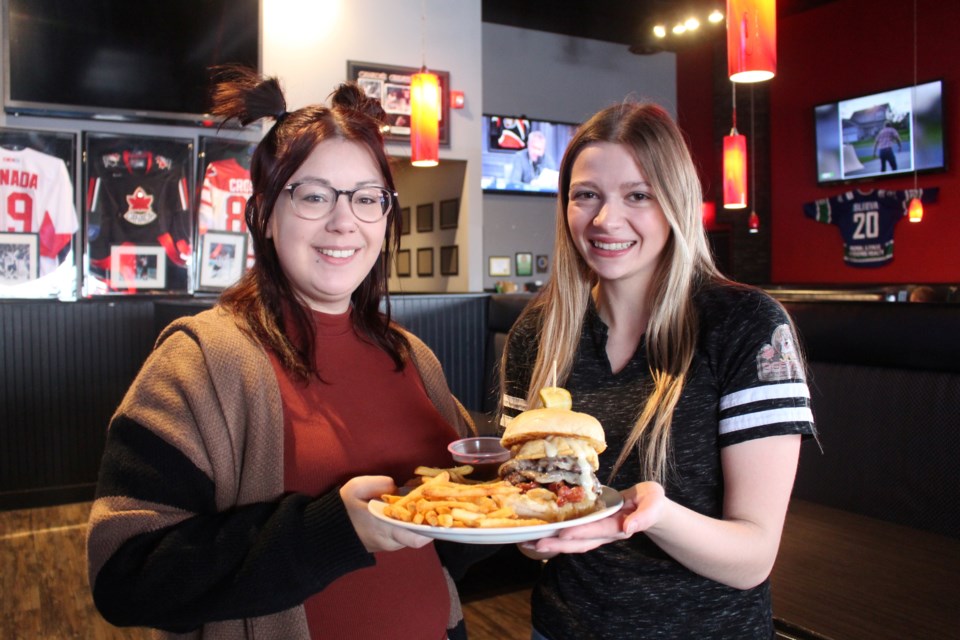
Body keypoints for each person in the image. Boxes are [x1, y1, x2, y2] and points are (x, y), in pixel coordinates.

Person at [86, 65, 478, 640]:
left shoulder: (413, 357)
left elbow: (459, 521)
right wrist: (334, 531)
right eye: (314, 196)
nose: (345, 222)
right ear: (266, 213)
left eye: (368, 199)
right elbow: (127, 576)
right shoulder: (202, 360)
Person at [498, 101, 816, 639]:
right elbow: (523, 497)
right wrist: (529, 532)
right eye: (586, 195)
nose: (605, 219)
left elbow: (753, 558)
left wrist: (650, 513)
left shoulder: (747, 326)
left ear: (675, 203)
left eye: (637, 196)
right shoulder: (538, 332)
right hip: (560, 628)